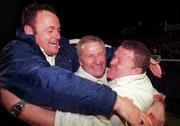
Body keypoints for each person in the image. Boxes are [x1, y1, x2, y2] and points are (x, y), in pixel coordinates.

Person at [0, 3, 162, 126]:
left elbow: (101, 52)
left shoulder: (64, 47)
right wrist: (114, 101)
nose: (57, 36)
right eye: (50, 30)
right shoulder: (15, 52)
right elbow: (45, 79)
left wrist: (157, 99)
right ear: (29, 30)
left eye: (58, 29)